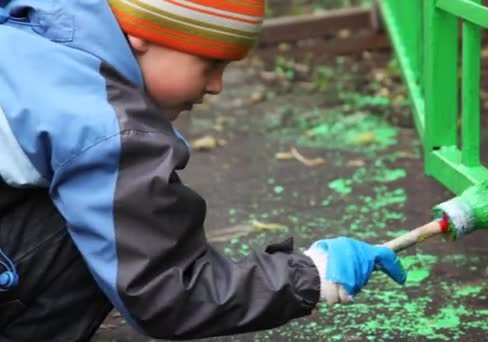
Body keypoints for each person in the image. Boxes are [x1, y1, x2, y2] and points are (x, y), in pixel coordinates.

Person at [0, 0, 407, 340]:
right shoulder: (103, 124)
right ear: (142, 32)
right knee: (104, 234)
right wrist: (311, 274)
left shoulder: (35, 32)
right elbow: (164, 289)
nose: (217, 87)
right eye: (211, 63)